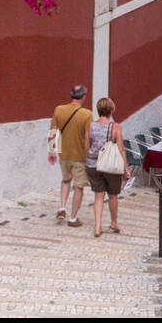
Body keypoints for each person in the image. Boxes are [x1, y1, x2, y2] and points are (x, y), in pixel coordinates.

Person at [83, 97, 129, 237]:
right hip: (110, 166)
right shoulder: (115, 127)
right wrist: (126, 169)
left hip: (93, 164)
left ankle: (97, 227)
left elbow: (86, 147)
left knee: (98, 195)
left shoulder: (90, 126)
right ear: (111, 110)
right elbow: (121, 149)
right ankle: (114, 222)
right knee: (113, 195)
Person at [52, 85, 93, 227]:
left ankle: (62, 208)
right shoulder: (87, 114)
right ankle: (73, 218)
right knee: (79, 187)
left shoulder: (59, 109)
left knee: (65, 180)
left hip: (64, 153)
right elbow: (88, 137)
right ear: (83, 97)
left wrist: (52, 151)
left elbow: (52, 132)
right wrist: (89, 155)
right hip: (80, 156)